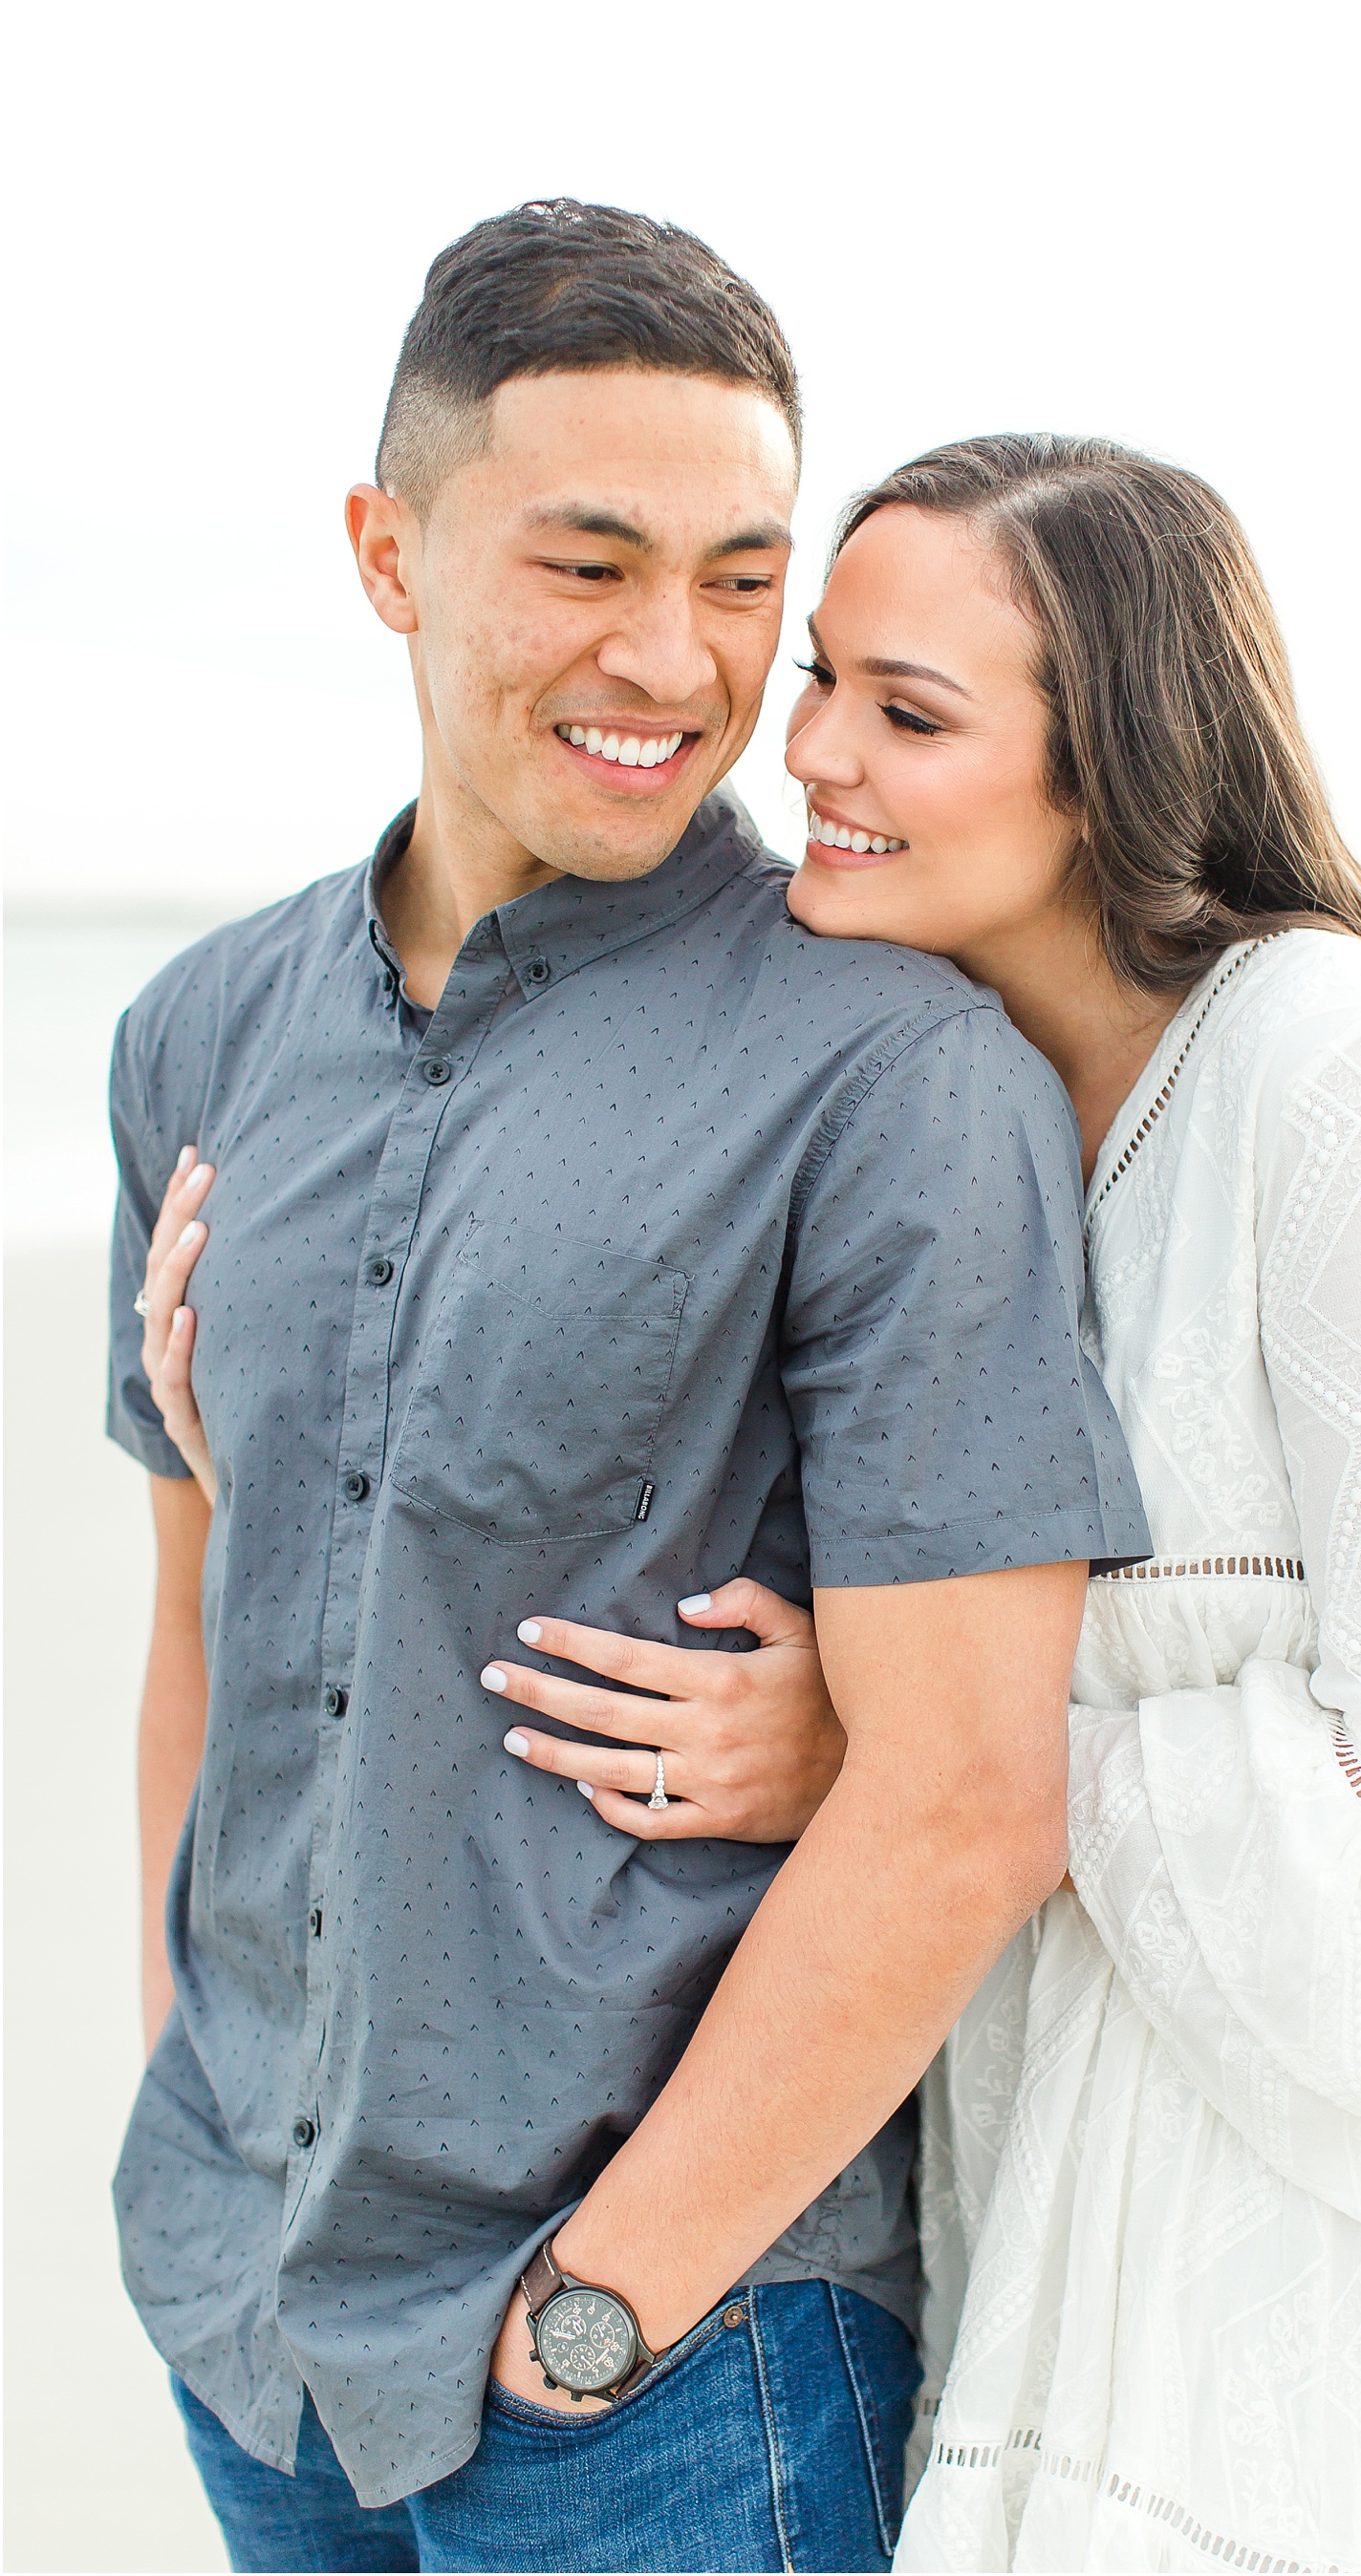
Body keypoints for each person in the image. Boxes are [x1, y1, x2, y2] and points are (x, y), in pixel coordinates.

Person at [109, 211, 1151, 2576]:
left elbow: (975, 1791)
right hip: (254, 2333)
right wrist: (193, 2098)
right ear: (388, 552)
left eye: (738, 577)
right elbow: (206, 1609)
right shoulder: (197, 1040)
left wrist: (608, 2305)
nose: (671, 662)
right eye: (587, 563)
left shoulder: (892, 1075)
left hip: (663, 2382)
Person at [508, 436, 1361, 2571]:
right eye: (824, 675)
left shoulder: (1335, 1064)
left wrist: (932, 1760)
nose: (814, 747)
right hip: (1020, 2200)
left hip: (1302, 2249)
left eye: (909, 712)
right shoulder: (957, 1110)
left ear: (1112, 765)